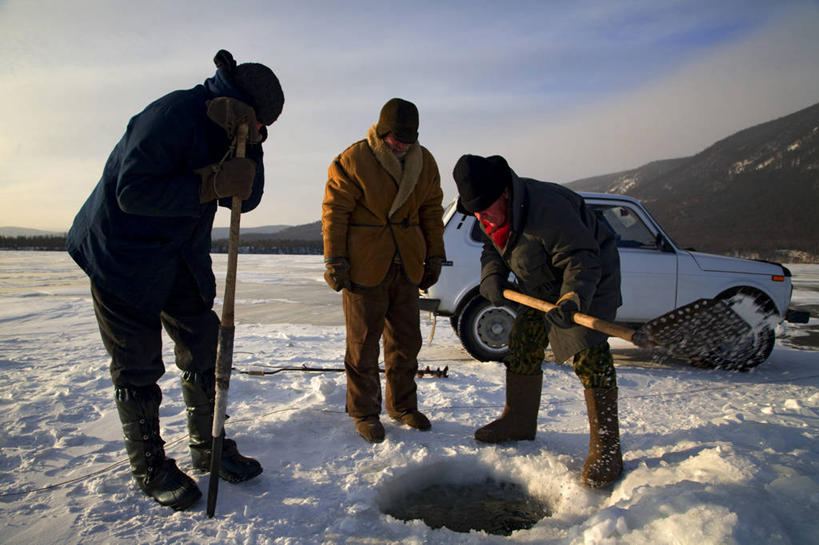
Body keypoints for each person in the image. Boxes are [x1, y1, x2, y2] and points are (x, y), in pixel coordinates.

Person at [66, 50, 284, 511]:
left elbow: (248, 196)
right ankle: (150, 467)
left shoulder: (237, 130)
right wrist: (209, 184)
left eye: (265, 129)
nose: (260, 132)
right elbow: (132, 191)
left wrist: (251, 153)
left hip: (178, 252)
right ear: (237, 103)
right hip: (121, 254)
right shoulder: (171, 115)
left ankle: (209, 446)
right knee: (138, 362)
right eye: (259, 124)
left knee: (202, 341)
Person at [452, 154, 624, 487]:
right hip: (539, 283)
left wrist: (572, 297)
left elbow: (581, 258)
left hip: (588, 280)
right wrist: (493, 275)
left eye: (485, 208)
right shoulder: (491, 212)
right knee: (523, 344)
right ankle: (518, 419)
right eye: (474, 210)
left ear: (504, 193)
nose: (480, 216)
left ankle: (607, 447)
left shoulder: (548, 209)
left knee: (589, 353)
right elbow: (492, 249)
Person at [321, 98, 446, 443]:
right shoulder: (353, 159)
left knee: (406, 342)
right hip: (364, 265)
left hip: (407, 263)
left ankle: (403, 406)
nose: (402, 145)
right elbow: (335, 212)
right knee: (362, 345)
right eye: (396, 138)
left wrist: (434, 256)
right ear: (382, 131)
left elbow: (432, 212)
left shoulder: (426, 162)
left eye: (408, 139)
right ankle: (363, 411)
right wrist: (335, 260)